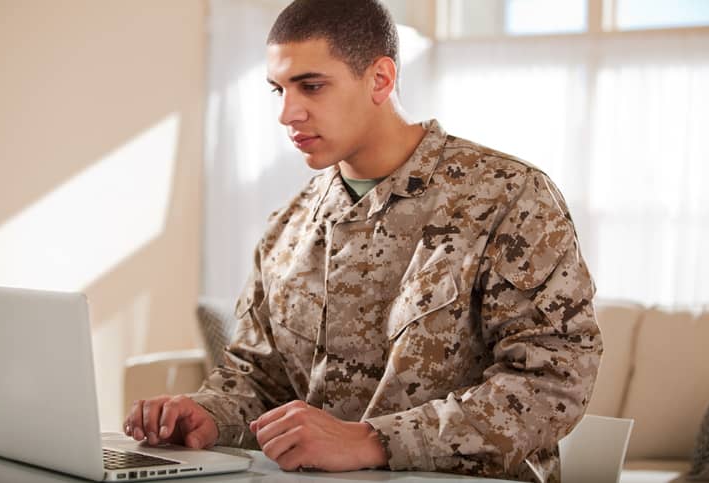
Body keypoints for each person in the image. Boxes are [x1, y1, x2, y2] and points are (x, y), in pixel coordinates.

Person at [124, 1, 602, 481]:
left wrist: (373, 440)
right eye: (279, 90)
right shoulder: (286, 228)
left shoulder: (507, 196)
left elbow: (554, 379)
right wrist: (208, 415)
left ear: (380, 79)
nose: (288, 113)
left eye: (311, 86)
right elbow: (259, 381)